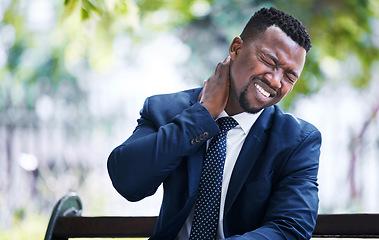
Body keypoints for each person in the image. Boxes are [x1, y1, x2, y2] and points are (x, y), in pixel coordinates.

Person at [108, 6, 321, 240]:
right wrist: (203, 115)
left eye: (290, 76)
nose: (275, 80)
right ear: (236, 48)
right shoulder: (165, 110)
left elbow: (290, 227)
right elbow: (127, 180)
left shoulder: (298, 141)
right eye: (269, 62)